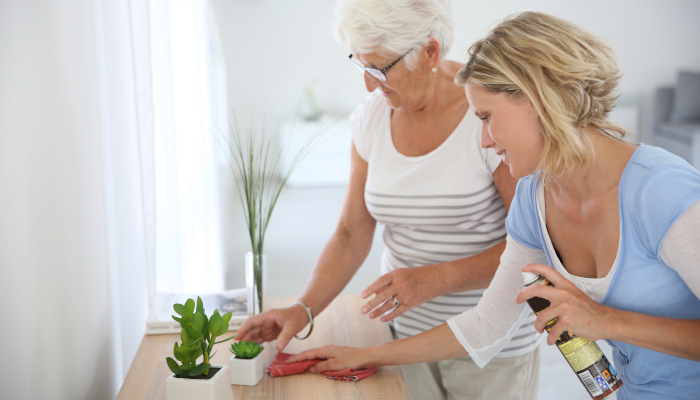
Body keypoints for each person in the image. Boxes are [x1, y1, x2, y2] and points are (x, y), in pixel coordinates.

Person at [286, 11, 700, 400]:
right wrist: (364, 355)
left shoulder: (661, 191)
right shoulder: (535, 197)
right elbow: (487, 324)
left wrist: (604, 321)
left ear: (539, 100)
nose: (483, 139)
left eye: (486, 117)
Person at [236, 1, 542, 399]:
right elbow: (350, 232)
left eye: (380, 68)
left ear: (430, 51)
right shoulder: (371, 119)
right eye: (361, 65)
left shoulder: (484, 118)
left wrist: (437, 278)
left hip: (491, 344)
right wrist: (303, 308)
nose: (369, 84)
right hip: (402, 336)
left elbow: (532, 247)